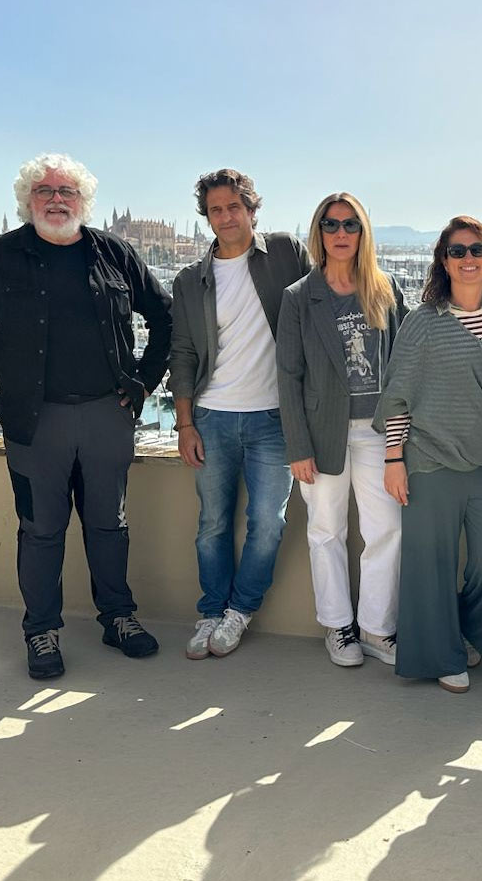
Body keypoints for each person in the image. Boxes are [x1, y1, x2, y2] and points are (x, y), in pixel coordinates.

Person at [0, 153, 172, 679]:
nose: (56, 199)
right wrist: (17, 373)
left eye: (66, 191)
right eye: (45, 190)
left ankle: (118, 617)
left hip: (107, 414)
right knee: (40, 529)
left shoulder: (114, 253)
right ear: (27, 200)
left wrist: (144, 381)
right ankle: (41, 631)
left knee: (109, 524)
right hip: (34, 421)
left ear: (83, 200)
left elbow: (164, 316)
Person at [375, 216, 482, 693]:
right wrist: (393, 459)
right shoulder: (423, 322)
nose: (467, 259)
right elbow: (399, 395)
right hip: (429, 459)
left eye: (477, 250)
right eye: (457, 251)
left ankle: (461, 632)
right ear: (443, 261)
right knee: (430, 564)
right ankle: (441, 656)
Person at [168, 168, 311, 660]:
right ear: (206, 217)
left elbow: (325, 302)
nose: (226, 217)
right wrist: (185, 423)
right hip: (213, 418)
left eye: (234, 206)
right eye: (216, 210)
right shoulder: (190, 280)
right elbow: (183, 353)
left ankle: (239, 611)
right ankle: (211, 611)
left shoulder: (287, 253)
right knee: (212, 523)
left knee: (268, 522)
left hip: (274, 419)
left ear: (252, 209)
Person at [277, 192, 408, 667]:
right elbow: (288, 376)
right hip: (321, 432)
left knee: (387, 529)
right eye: (331, 225)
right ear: (319, 232)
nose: (341, 233)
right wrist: (298, 446)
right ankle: (338, 626)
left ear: (363, 232)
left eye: (351, 224)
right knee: (326, 529)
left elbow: (405, 363)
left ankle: (376, 628)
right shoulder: (299, 297)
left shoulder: (385, 288)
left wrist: (402, 438)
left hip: (377, 430)